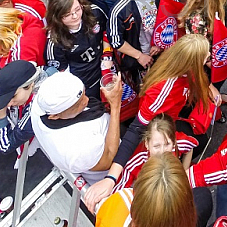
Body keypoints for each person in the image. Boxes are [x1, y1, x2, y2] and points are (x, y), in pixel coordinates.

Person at [84, 35, 217, 210]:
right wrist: (111, 179)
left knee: (199, 140)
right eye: (207, 58)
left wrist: (209, 87)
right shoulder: (163, 90)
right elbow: (135, 131)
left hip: (168, 124)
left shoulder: (181, 64)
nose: (210, 60)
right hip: (157, 128)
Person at [30, 70, 123, 184]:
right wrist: (115, 106)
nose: (87, 100)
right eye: (78, 104)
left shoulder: (40, 102)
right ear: (54, 116)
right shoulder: (76, 148)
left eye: (84, 94)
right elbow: (109, 158)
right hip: (117, 175)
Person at [107, 0, 177, 73]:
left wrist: (161, 42)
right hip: (144, 59)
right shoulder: (119, 9)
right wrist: (139, 56)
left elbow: (175, 14)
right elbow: (115, 40)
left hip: (169, 49)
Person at [45, 0, 108, 97]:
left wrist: (107, 58)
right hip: (85, 84)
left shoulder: (94, 12)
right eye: (67, 15)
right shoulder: (55, 41)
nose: (75, 16)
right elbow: (60, 74)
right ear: (57, 17)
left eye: (77, 9)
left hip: (106, 69)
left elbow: (108, 33)